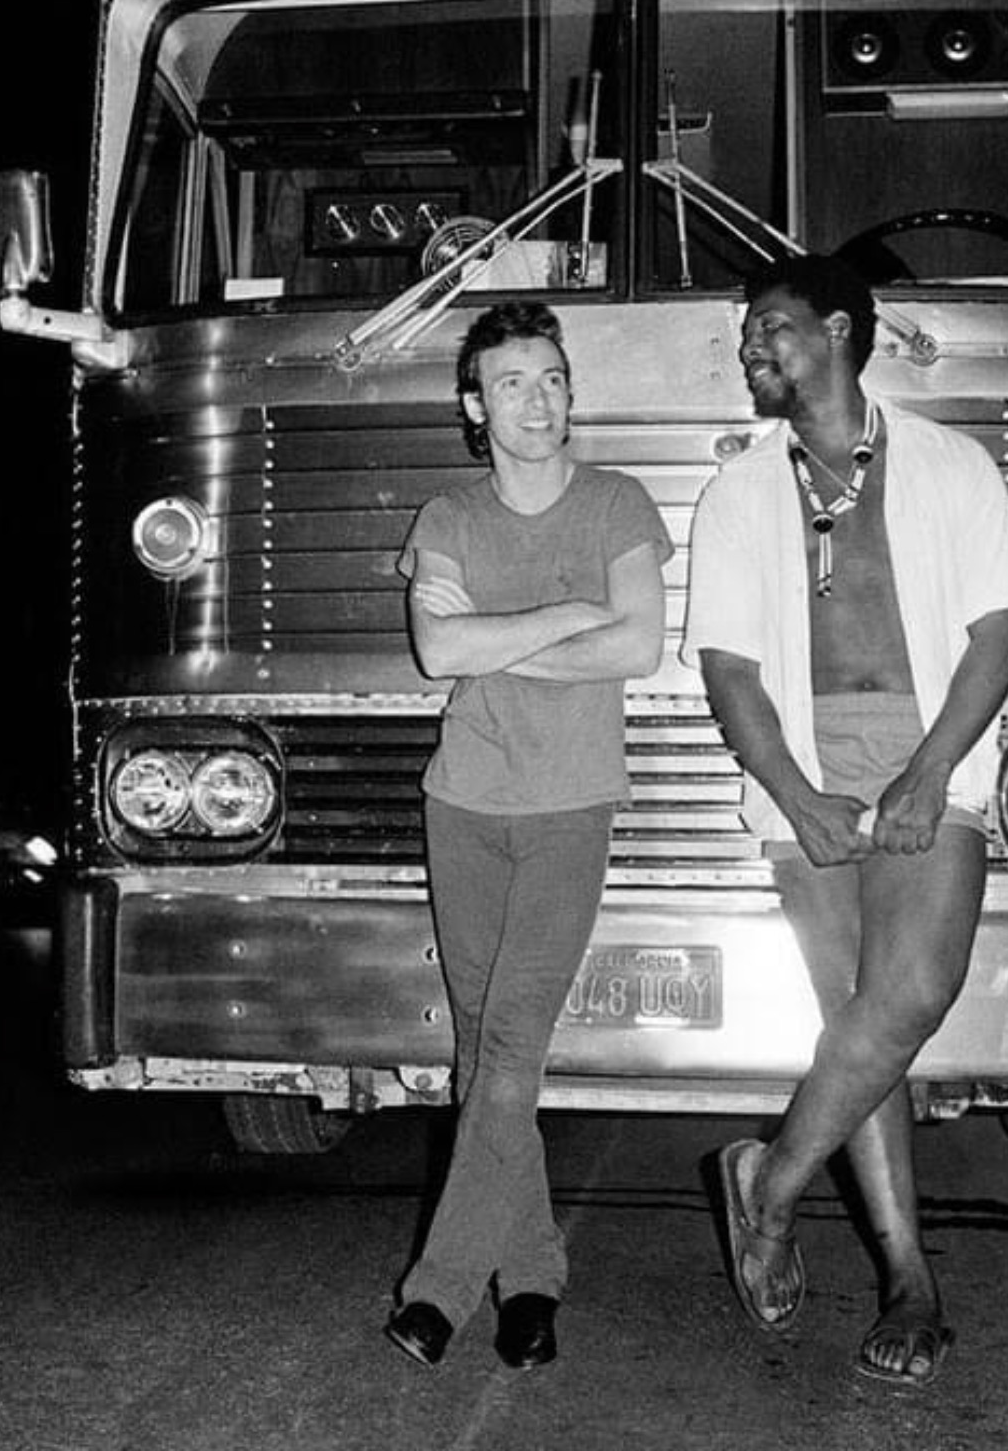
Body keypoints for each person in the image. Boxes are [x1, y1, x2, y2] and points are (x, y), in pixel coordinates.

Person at [682, 253, 1008, 1387]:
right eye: (747, 335)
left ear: (837, 330)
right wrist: (793, 792)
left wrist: (930, 775)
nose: (751, 349)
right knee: (853, 1025)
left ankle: (769, 1189)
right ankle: (908, 1280)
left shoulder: (948, 462)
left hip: (929, 755)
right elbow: (731, 668)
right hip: (807, 772)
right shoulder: (738, 489)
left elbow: (997, 635)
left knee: (909, 997)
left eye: (771, 329)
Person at [388, 301, 672, 1371]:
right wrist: (564, 615)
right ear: (476, 406)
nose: (538, 398)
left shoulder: (616, 503)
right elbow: (434, 648)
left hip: (569, 804)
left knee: (512, 1042)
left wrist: (493, 641)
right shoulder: (449, 516)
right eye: (513, 382)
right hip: (462, 802)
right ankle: (534, 1278)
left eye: (552, 378)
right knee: (482, 1056)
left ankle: (441, 1287)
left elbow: (638, 644)